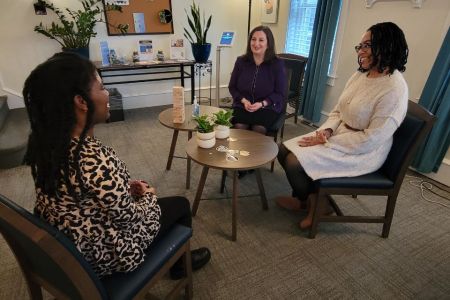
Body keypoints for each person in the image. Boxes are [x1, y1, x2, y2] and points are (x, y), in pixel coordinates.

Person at [23, 52, 211, 279]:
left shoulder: (47, 146)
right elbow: (130, 218)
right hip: (105, 254)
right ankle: (181, 266)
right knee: (180, 204)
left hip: (72, 241)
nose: (108, 94)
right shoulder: (94, 162)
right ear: (81, 101)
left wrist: (121, 188)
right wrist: (150, 195)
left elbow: (88, 192)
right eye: (102, 88)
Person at [276, 22, 409, 229]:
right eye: (360, 46)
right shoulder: (360, 75)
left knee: (294, 163)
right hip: (337, 135)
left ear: (387, 46)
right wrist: (326, 131)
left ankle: (319, 205)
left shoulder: (394, 88)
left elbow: (372, 139)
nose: (361, 51)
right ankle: (307, 200)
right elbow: (338, 110)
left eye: (367, 45)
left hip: (364, 151)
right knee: (283, 149)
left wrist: (329, 142)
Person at [228, 25, 287, 177]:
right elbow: (232, 87)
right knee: (240, 125)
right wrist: (243, 100)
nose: (256, 43)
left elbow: (280, 93)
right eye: (253, 39)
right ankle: (240, 160)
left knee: (258, 127)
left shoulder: (276, 64)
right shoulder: (241, 61)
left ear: (268, 43)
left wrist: (263, 103)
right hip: (243, 104)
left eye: (261, 40)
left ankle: (252, 161)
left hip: (267, 107)